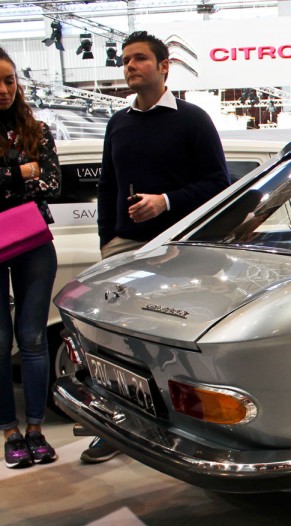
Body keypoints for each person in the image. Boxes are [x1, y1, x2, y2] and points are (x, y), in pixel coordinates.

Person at [84, 30, 229, 463]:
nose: (130, 66)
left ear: (165, 66)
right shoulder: (118, 123)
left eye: (140, 59)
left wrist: (164, 201)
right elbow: (107, 186)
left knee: (173, 345)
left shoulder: (193, 120)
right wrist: (107, 239)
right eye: (125, 60)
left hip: (181, 250)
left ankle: (180, 429)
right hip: (125, 250)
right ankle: (114, 425)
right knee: (111, 344)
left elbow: (218, 185)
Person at [0, 47, 62, 469]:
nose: (4, 90)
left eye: (9, 80)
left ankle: (36, 429)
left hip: (34, 242)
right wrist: (23, 173)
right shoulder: (29, 147)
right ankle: (9, 431)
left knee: (34, 339)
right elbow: (37, 177)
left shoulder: (36, 129)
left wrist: (7, 177)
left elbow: (54, 184)